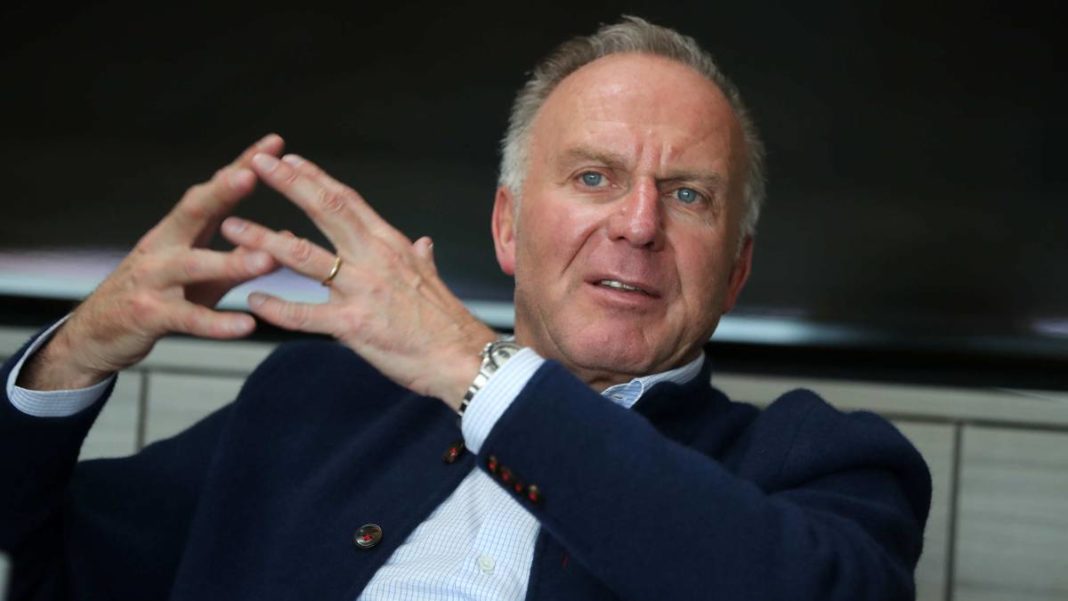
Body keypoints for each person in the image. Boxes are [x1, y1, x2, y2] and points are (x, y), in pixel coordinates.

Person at [0, 16, 930, 601]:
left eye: (688, 194)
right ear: (507, 228)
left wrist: (471, 365)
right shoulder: (315, 400)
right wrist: (80, 348)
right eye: (594, 177)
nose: (639, 224)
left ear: (735, 271)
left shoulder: (820, 458)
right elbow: (46, 545)